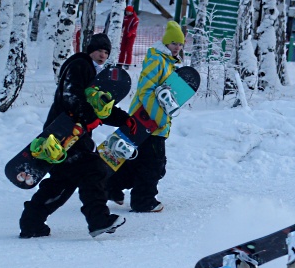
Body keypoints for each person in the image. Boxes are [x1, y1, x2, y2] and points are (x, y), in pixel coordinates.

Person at [19, 34, 138, 238]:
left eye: (106, 52)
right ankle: (98, 220)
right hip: (65, 133)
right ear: (89, 50)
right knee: (93, 170)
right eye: (99, 50)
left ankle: (32, 222)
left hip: (73, 135)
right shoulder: (80, 66)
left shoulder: (94, 72)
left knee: (63, 182)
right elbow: (71, 97)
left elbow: (99, 106)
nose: (102, 54)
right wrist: (88, 116)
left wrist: (124, 119)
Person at [106, 21, 185, 213]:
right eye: (174, 43)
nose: (178, 47)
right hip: (148, 121)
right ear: (166, 43)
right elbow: (146, 90)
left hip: (154, 122)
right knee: (154, 164)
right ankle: (143, 200)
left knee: (141, 161)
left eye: (181, 44)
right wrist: (158, 118)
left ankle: (110, 185)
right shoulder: (156, 60)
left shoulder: (168, 63)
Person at [118, 6, 139, 70]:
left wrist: (130, 33)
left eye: (129, 11)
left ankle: (127, 63)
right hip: (125, 35)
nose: (127, 13)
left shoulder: (135, 19)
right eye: (126, 11)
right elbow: (123, 25)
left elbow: (134, 28)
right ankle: (120, 62)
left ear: (132, 11)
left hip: (131, 36)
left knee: (128, 50)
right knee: (122, 49)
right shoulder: (125, 17)